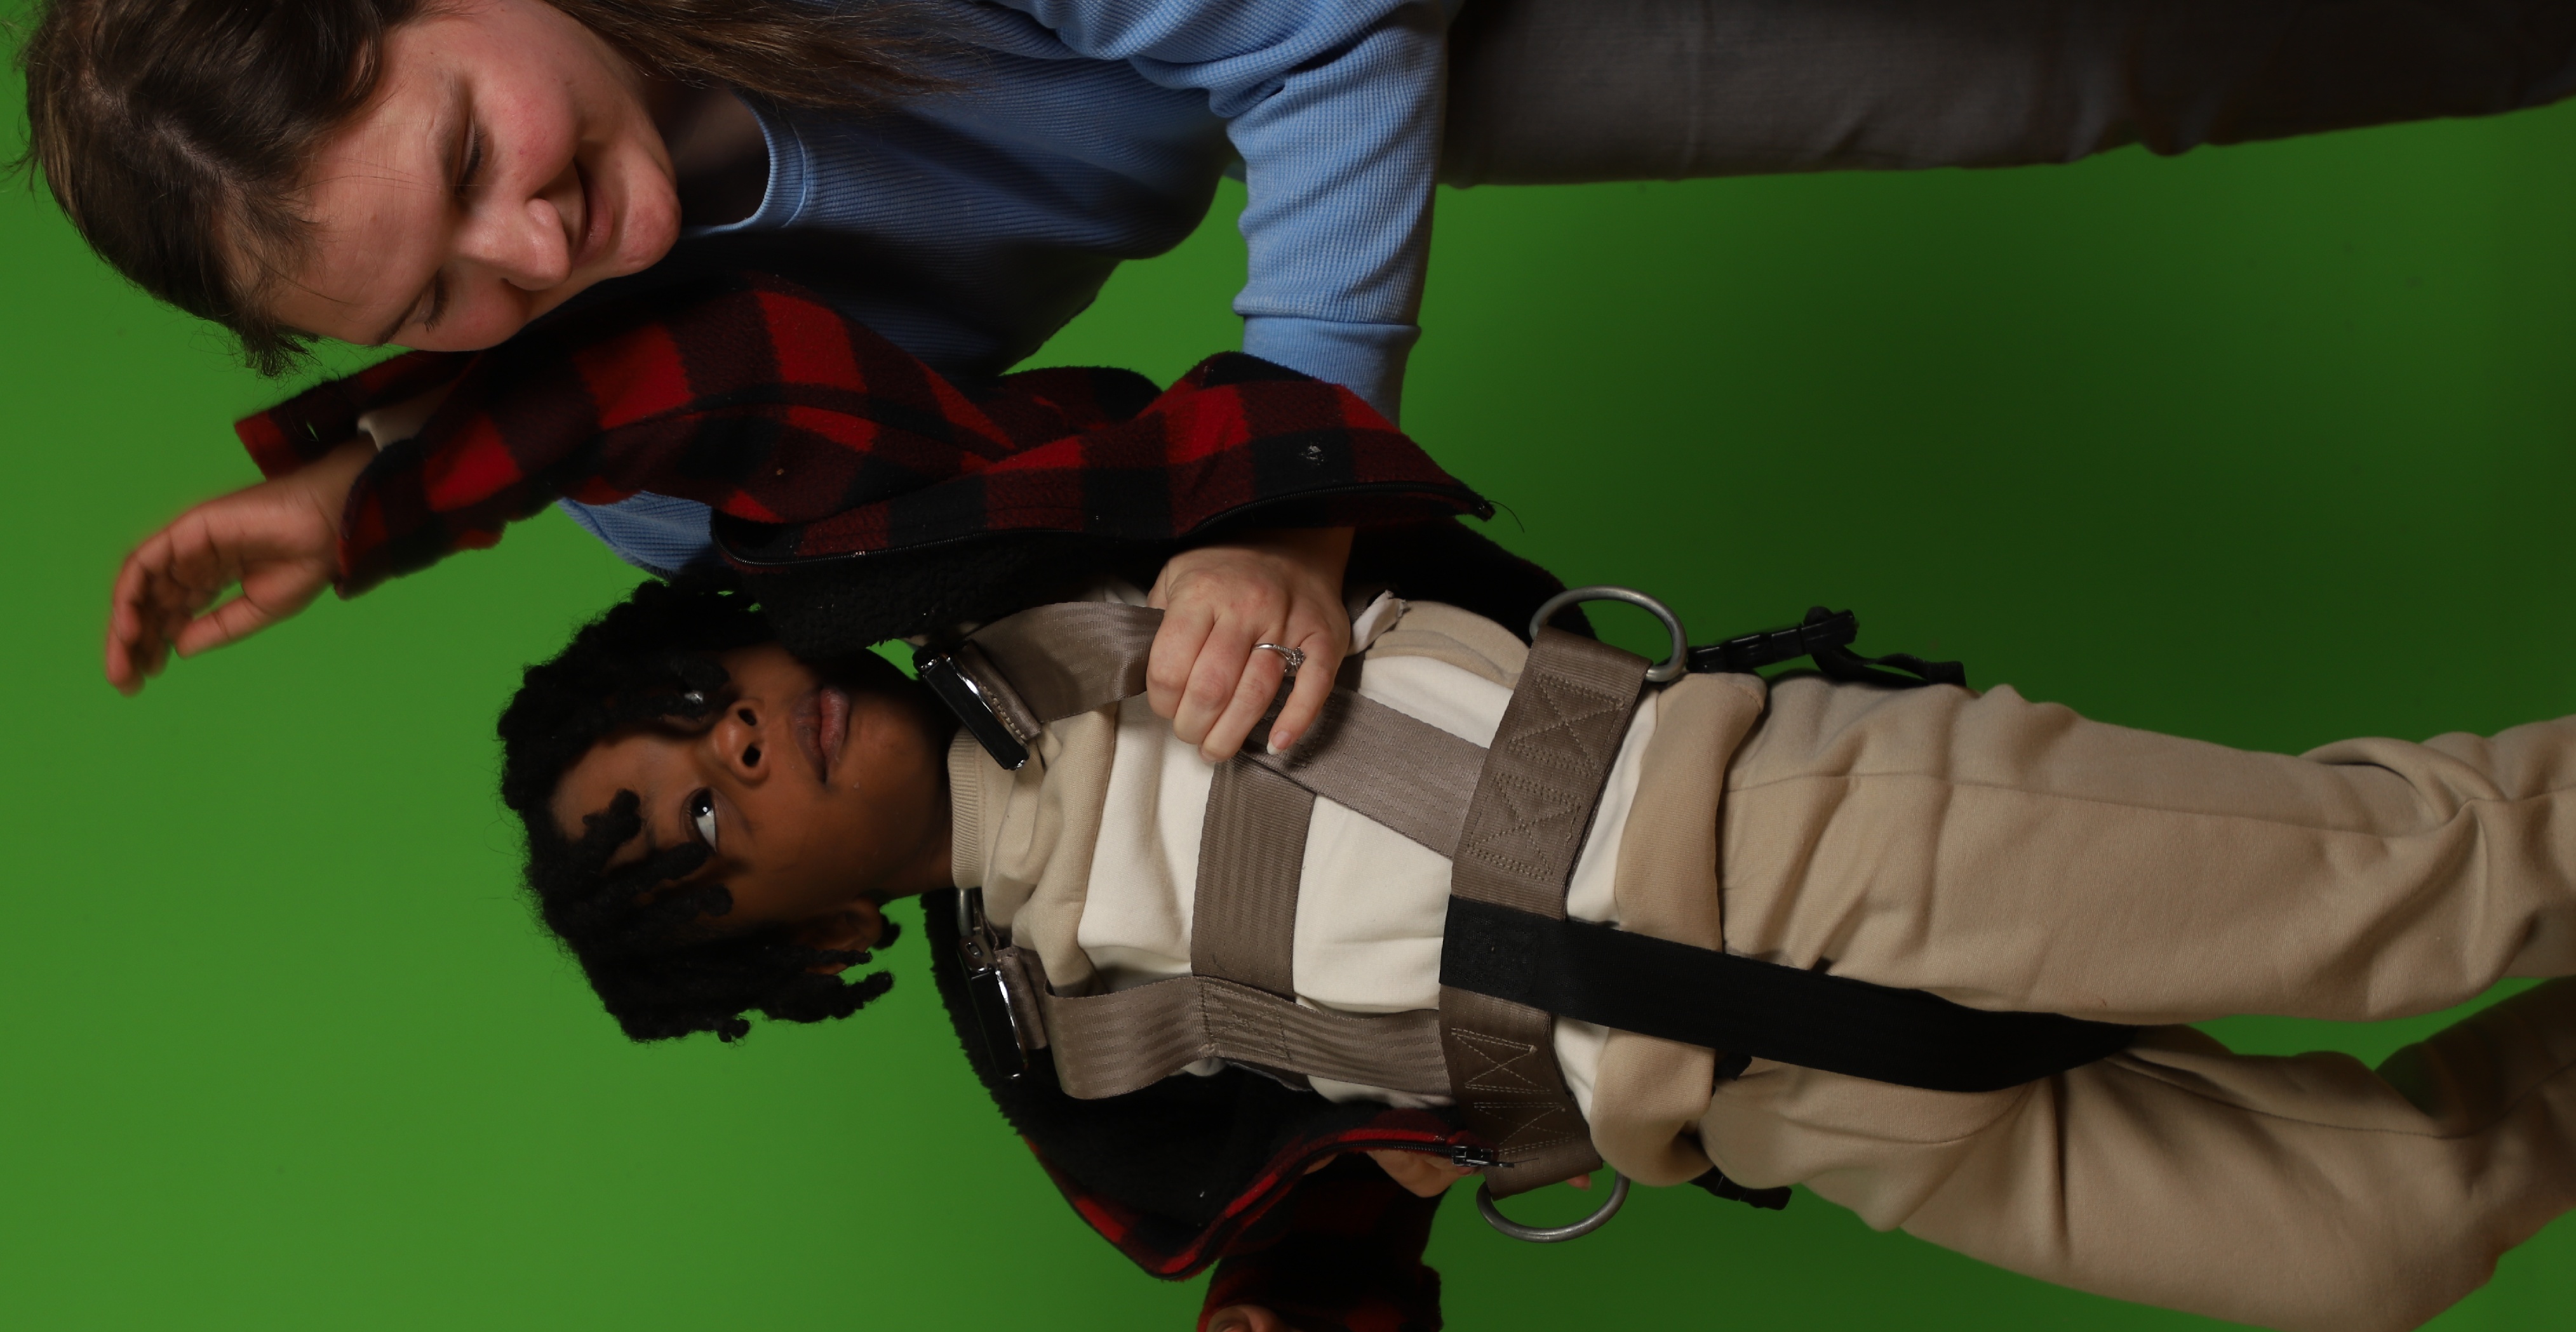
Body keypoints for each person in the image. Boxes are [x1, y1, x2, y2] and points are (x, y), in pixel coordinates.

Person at [501, 560, 2576, 1332]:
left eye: (696, 705)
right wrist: (1285, 1323)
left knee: (2418, 888)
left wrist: (1270, 542)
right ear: (792, 955)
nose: (735, 750)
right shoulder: (1064, 1055)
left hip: (1776, 835)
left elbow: (798, 399)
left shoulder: (1038, 573)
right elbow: (1329, 1176)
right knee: (2372, 1237)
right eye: (696, 828)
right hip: (1758, 1103)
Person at [43, 0, 2576, 691]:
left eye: (470, 151)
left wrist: (1295, 477)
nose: (535, 246)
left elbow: (1311, 27)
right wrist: (403, 481)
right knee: (2103, 65)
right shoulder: (591, 380)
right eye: (438, 299)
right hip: (1409, 44)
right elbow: (830, 501)